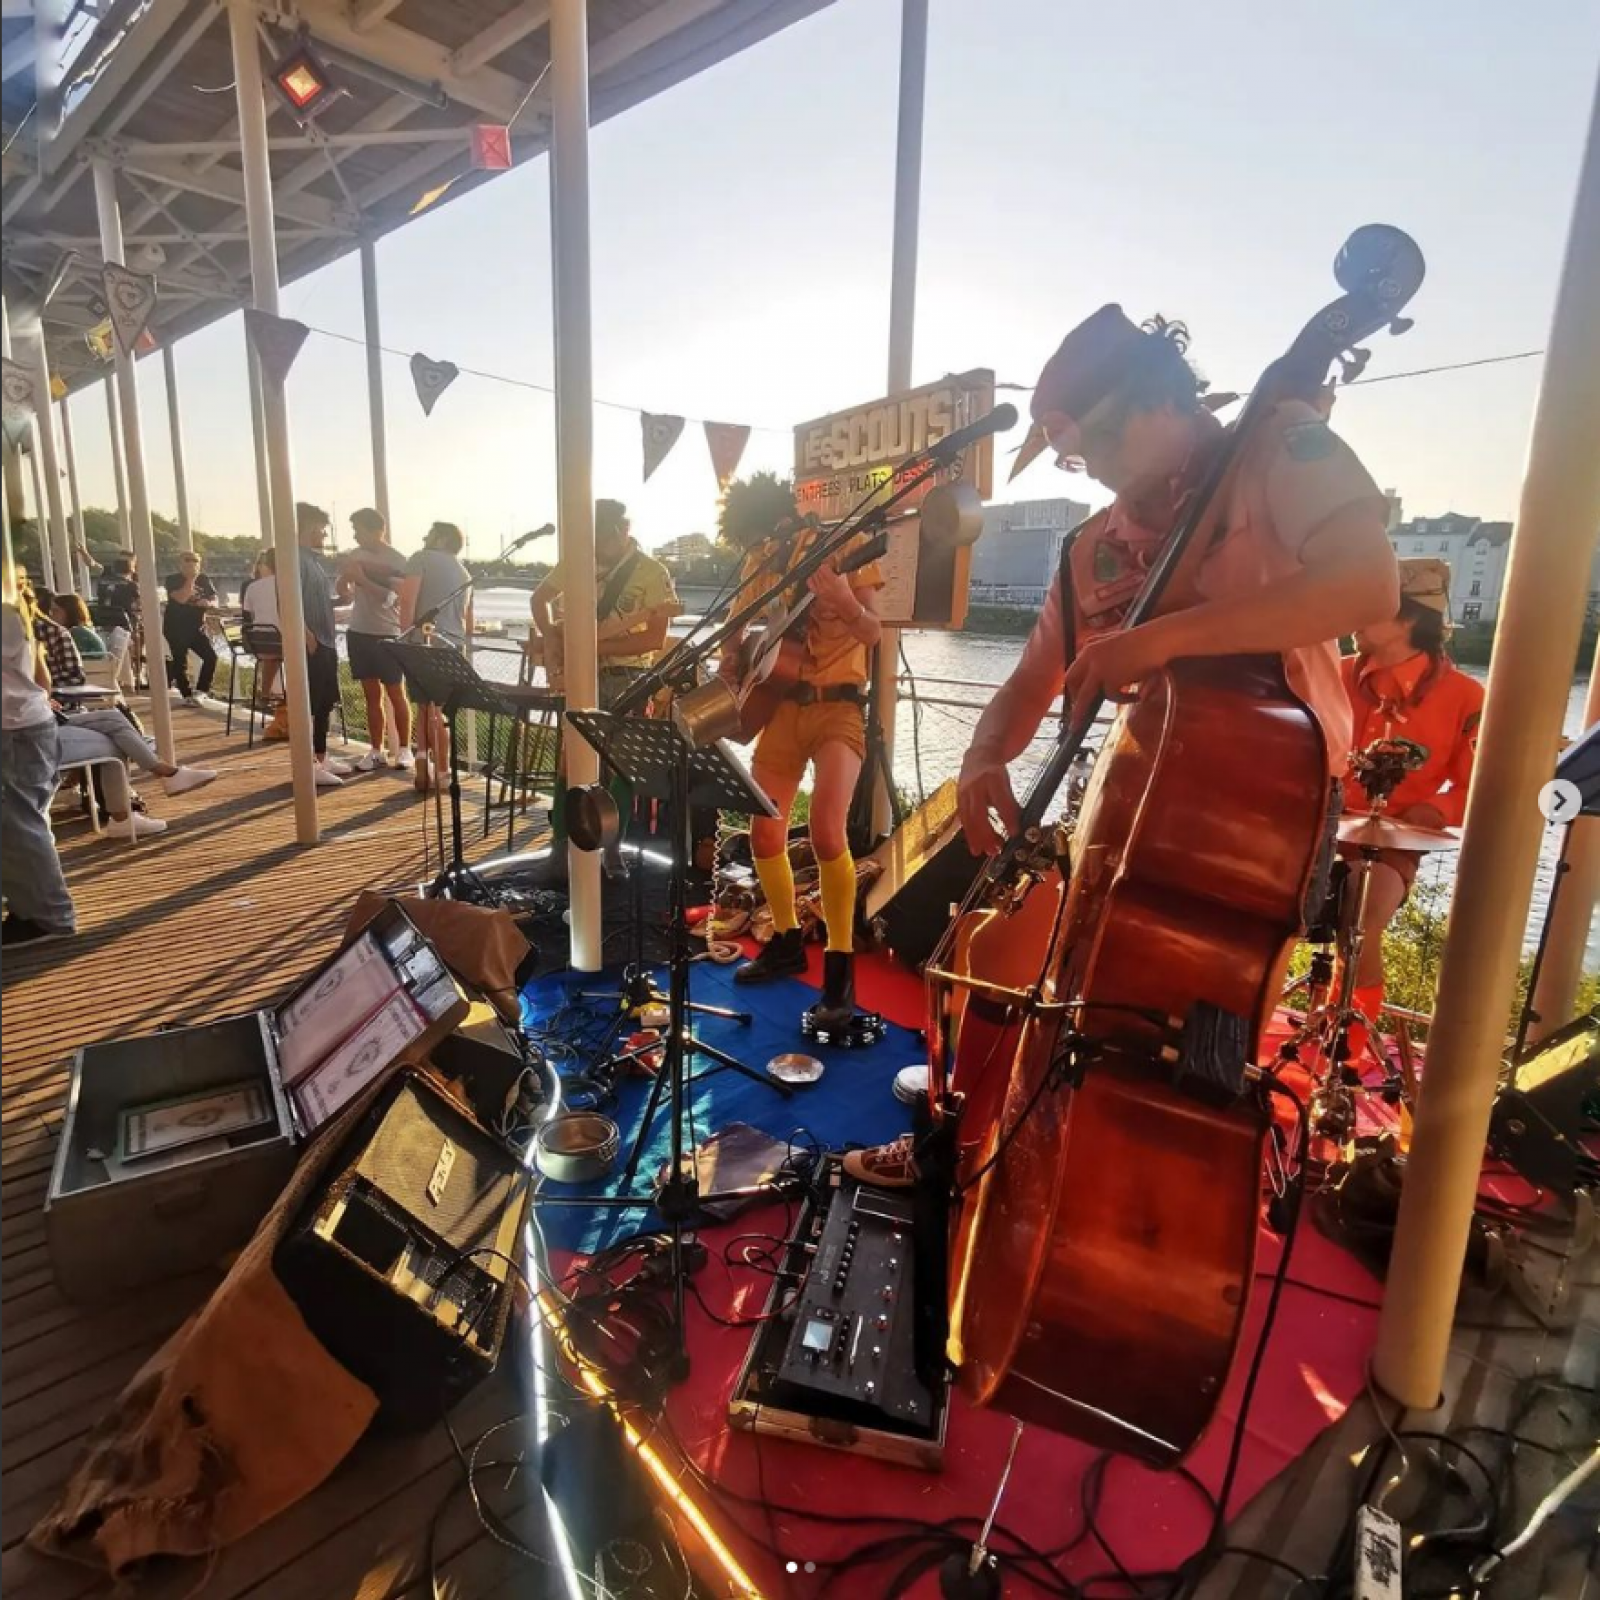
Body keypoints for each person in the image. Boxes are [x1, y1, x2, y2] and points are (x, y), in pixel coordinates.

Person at [844, 304, 1400, 1186]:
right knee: (996, 964)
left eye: (1100, 438)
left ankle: (1135, 1218)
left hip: (1261, 805)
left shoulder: (1276, 449)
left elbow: (1367, 583)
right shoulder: (1090, 548)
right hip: (1133, 800)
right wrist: (985, 754)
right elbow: (1034, 682)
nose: (1092, 467)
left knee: (1182, 1043)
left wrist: (1161, 639)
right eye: (1075, 453)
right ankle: (965, 1154)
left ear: (1162, 399)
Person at [715, 473, 885, 1033]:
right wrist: (731, 661)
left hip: (838, 706)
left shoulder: (846, 548)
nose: (763, 542)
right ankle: (786, 940)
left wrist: (841, 599)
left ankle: (839, 971)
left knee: (827, 831)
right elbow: (738, 624)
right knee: (763, 831)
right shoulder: (760, 560)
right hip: (781, 705)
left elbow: (873, 632)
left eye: (766, 531)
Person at [1338, 558, 1484, 1046]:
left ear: (1407, 619)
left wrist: (1438, 812)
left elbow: (1483, 788)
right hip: (1315, 828)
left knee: (1362, 910)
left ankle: (1347, 1051)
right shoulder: (1334, 675)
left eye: (1368, 607)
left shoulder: (1464, 696)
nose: (1353, 618)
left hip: (1391, 844)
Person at [529, 499, 682, 706]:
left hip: (628, 676)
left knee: (621, 737)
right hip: (578, 672)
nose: (598, 545)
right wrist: (550, 637)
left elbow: (654, 639)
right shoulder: (576, 561)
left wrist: (592, 648)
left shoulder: (653, 572)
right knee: (574, 736)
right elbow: (539, 599)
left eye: (604, 537)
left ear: (624, 529)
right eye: (593, 537)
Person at [2, 599, 76, 944]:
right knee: (26, 820)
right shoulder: (20, 613)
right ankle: (30, 907)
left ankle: (48, 915)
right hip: (32, 722)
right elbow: (42, 680)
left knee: (20, 824)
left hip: (14, 728)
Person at [397, 521, 474, 794]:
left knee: (425, 707)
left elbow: (407, 601)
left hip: (423, 644)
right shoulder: (465, 572)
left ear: (441, 538)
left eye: (429, 533)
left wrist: (404, 639)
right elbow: (467, 621)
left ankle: (424, 765)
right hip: (452, 647)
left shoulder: (420, 559)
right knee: (440, 711)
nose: (425, 537)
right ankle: (443, 771)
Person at [337, 507, 414, 774]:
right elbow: (342, 586)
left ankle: (404, 749)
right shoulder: (355, 555)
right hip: (359, 630)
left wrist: (361, 577)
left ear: (377, 530)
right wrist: (346, 582)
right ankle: (376, 750)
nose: (356, 536)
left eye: (359, 530)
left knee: (396, 692)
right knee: (371, 695)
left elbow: (392, 597)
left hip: (388, 632)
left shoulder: (400, 561)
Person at [294, 502, 352, 787]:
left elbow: (315, 602)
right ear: (305, 527)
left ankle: (321, 756)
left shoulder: (312, 561)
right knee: (310, 704)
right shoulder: (294, 560)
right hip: (313, 640)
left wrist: (340, 601)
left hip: (326, 639)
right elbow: (289, 603)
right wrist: (305, 635)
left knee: (325, 703)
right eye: (321, 529)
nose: (324, 536)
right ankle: (307, 763)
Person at [163, 551, 220, 707]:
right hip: (176, 625)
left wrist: (208, 603)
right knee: (180, 660)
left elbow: (214, 598)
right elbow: (181, 598)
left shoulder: (204, 579)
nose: (191, 563)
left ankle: (202, 691)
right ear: (180, 563)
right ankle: (186, 694)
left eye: (194, 561)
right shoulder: (172, 580)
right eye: (187, 560)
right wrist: (191, 578)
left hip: (197, 626)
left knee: (210, 657)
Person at [241, 550, 284, 704]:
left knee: (271, 656)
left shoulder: (252, 587)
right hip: (280, 641)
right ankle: (294, 695)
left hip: (258, 641)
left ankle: (266, 694)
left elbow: (247, 615)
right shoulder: (288, 584)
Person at [94, 553, 141, 694]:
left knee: (110, 649)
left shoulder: (102, 582)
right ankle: (127, 681)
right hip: (122, 621)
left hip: (101, 619)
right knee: (125, 648)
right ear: (131, 569)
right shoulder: (131, 585)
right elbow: (139, 603)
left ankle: (121, 679)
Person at [49, 593, 107, 660]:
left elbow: (70, 659)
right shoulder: (80, 629)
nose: (51, 615)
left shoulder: (77, 633)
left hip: (92, 668)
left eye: (55, 611)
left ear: (69, 612)